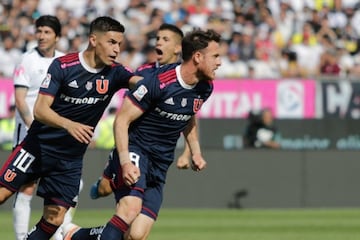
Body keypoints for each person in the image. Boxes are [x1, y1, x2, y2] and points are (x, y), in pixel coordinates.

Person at [64, 28, 222, 240]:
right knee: (129, 209)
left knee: (136, 235)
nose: (219, 62)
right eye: (216, 56)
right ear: (197, 56)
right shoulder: (157, 82)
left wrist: (194, 151)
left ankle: (74, 235)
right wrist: (126, 161)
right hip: (137, 150)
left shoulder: (205, 88)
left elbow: (188, 115)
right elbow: (122, 120)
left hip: (161, 162)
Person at [0, 16, 140, 240]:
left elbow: (140, 83)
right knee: (2, 193)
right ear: (94, 40)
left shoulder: (116, 72)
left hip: (69, 160)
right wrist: (69, 125)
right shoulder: (64, 66)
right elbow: (40, 110)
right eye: (112, 42)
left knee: (55, 219)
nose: (116, 50)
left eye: (119, 44)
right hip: (37, 148)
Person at [89, 23, 190, 201]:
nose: (158, 43)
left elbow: (190, 115)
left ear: (177, 48)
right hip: (136, 143)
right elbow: (127, 110)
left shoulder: (185, 78)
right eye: (158, 38)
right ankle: (102, 184)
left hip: (160, 151)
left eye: (165, 39)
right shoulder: (144, 72)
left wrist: (189, 152)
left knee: (135, 211)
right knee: (106, 190)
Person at [10, 15, 71, 240]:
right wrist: (36, 127)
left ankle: (55, 234)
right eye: (39, 31)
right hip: (29, 135)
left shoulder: (65, 61)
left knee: (58, 190)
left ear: (57, 36)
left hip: (55, 136)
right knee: (25, 189)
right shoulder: (26, 60)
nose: (41, 36)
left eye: (47, 32)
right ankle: (20, 237)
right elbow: (20, 99)